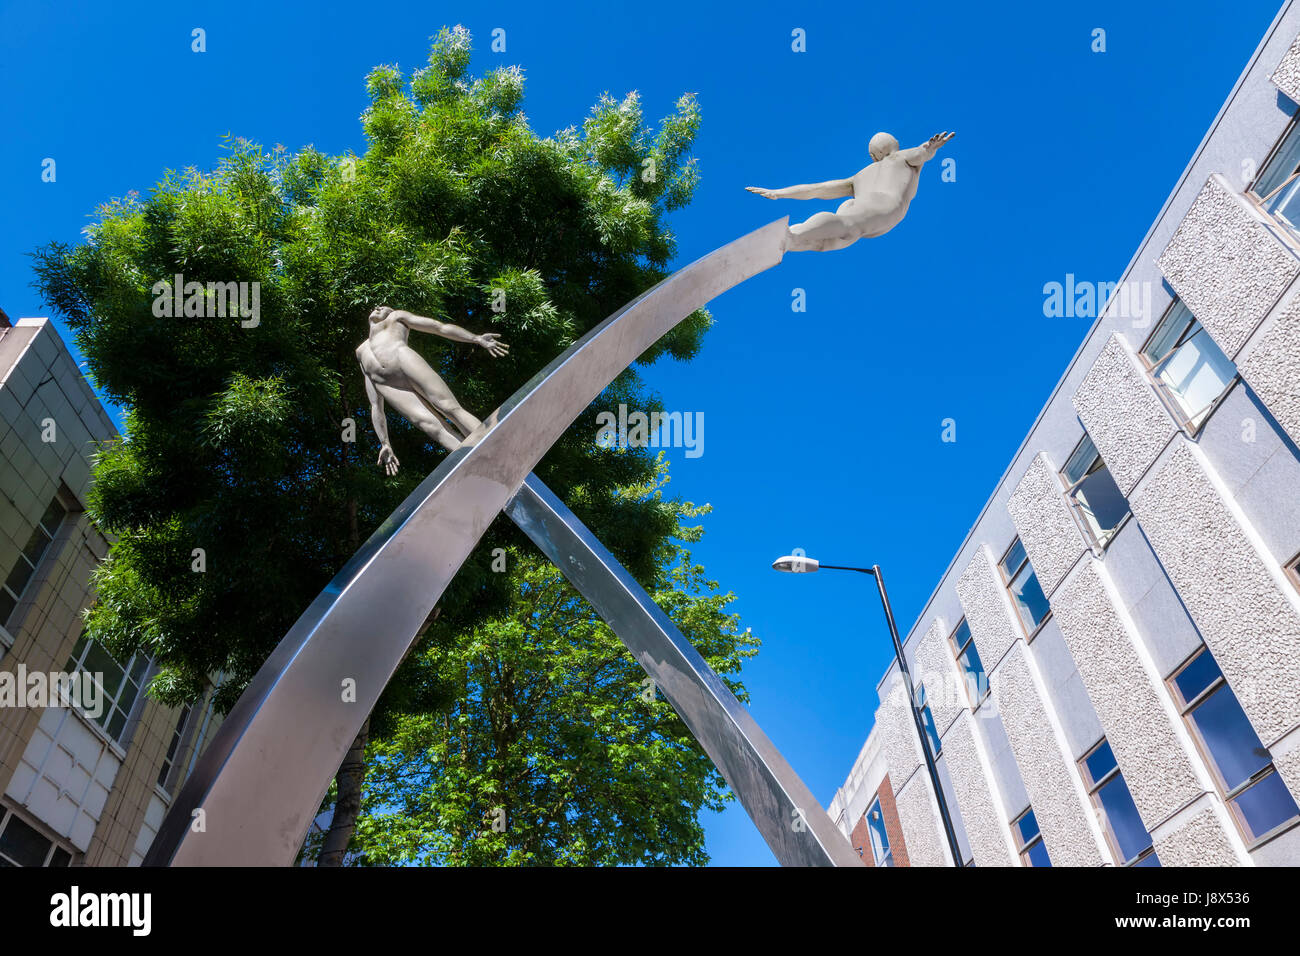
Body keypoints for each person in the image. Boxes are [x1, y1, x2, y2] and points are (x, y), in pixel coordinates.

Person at [355, 305, 509, 475]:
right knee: (430, 427)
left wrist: (476, 338)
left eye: (384, 307)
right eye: (376, 307)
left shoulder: (396, 318)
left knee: (448, 407)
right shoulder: (361, 351)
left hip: (403, 360)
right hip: (389, 385)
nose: (377, 307)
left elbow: (438, 327)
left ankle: (494, 447)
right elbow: (375, 404)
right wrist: (384, 442)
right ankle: (477, 465)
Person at [746, 130, 955, 252]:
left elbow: (817, 189)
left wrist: (780, 192)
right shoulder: (900, 157)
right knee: (846, 227)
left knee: (839, 237)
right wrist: (931, 147)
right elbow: (921, 153)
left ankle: (791, 241)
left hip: (861, 208)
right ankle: (791, 234)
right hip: (882, 207)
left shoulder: (859, 177)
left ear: (874, 155)